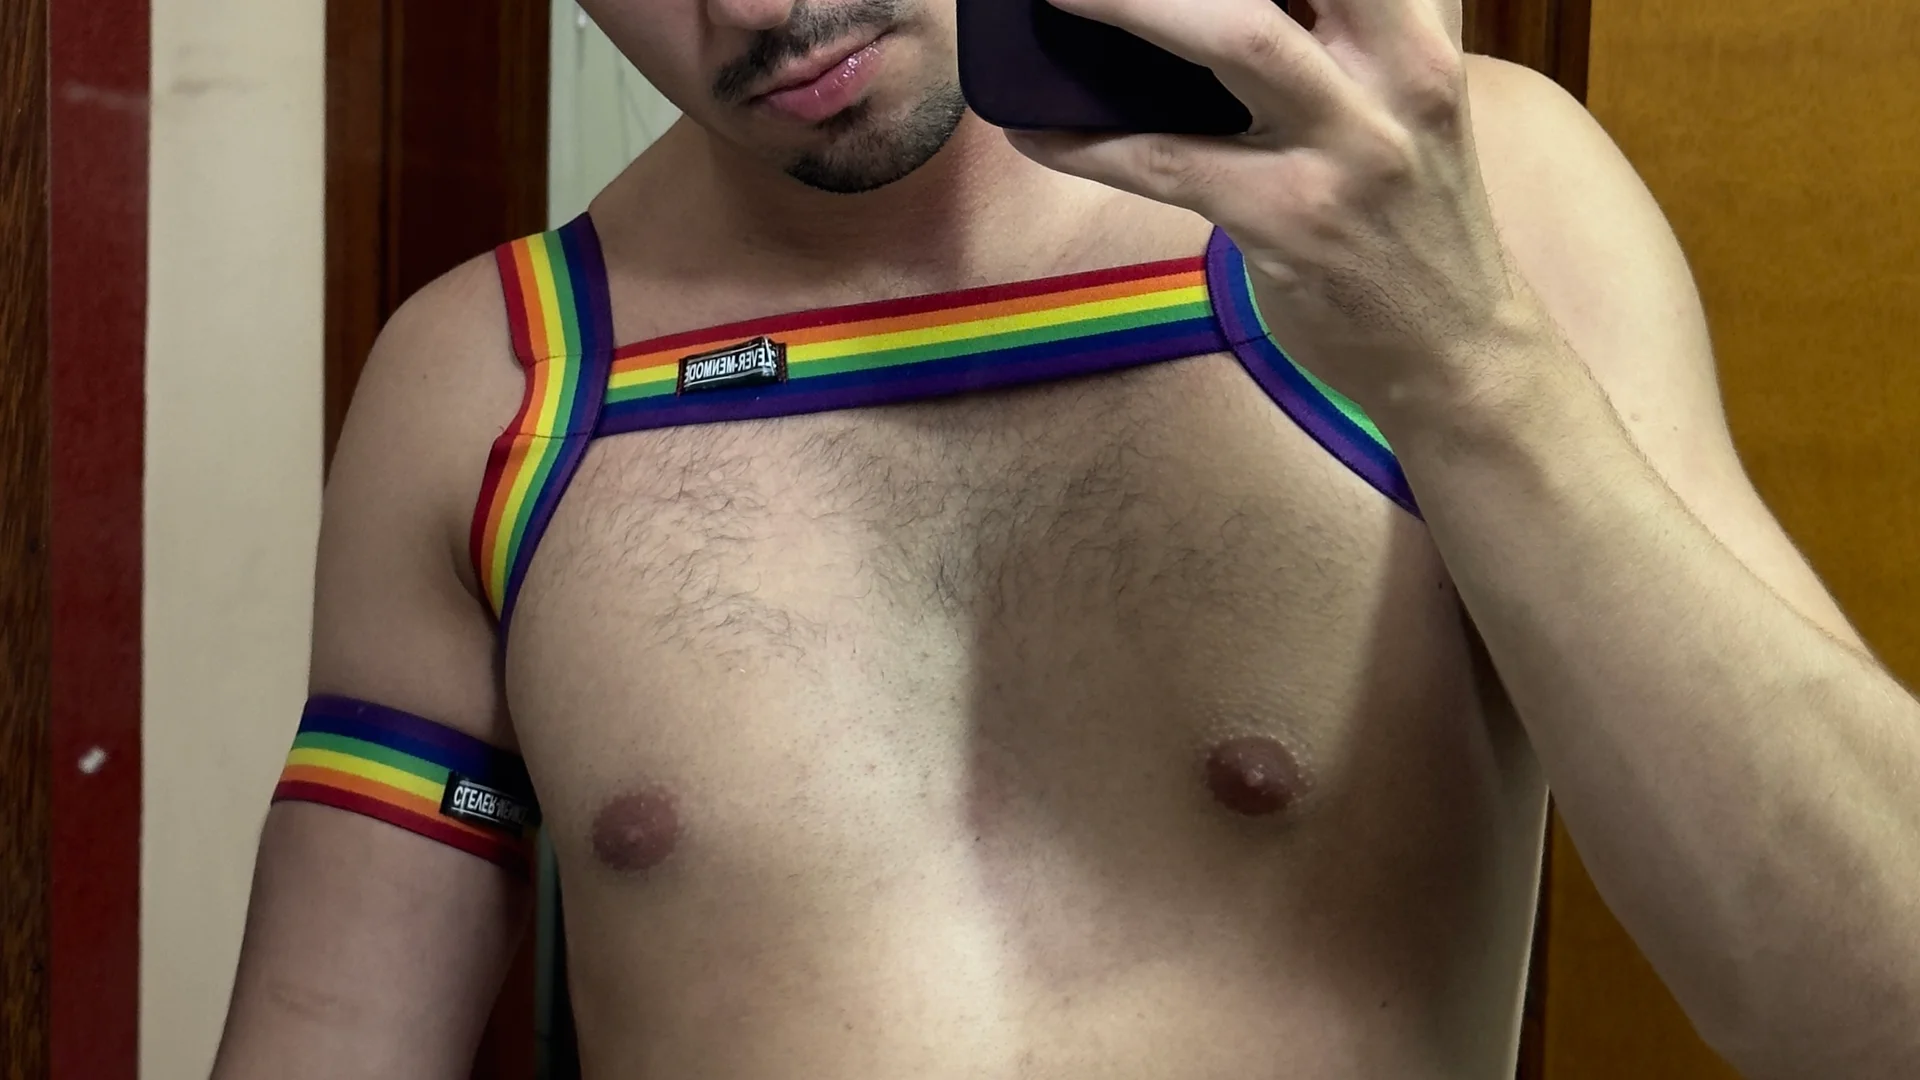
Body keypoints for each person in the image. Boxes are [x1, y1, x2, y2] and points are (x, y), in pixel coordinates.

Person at [213, 0, 1920, 1076]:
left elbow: (1878, 1008)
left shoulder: (1458, 198)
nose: (756, 9)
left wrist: (1463, 358)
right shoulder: (498, 384)